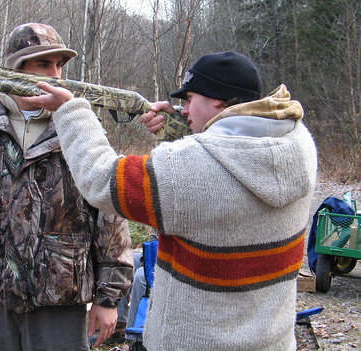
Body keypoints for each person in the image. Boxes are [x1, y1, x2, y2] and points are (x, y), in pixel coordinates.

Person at [25, 50, 318, 351]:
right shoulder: (298, 144)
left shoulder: (187, 170)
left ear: (216, 99)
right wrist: (181, 130)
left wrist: (72, 111)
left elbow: (101, 180)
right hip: (273, 342)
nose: (184, 108)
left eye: (190, 99)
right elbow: (225, 165)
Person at [0, 22, 134, 351]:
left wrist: (109, 297)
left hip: (62, 294)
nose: (57, 75)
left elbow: (109, 216)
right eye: (44, 64)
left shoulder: (79, 129)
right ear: (16, 70)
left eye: (60, 65)